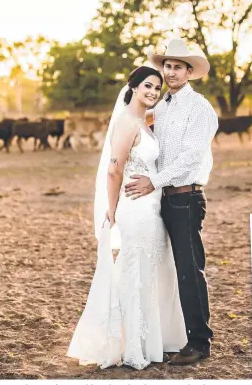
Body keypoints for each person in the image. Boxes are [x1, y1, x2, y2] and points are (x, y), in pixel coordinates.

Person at [67, 66, 187, 370]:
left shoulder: (143, 123)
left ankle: (147, 341)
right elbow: (114, 167)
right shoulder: (125, 122)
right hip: (135, 209)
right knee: (136, 272)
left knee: (147, 272)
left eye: (157, 89)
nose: (152, 92)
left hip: (152, 207)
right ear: (132, 87)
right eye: (147, 85)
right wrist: (112, 208)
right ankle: (131, 346)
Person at [124, 38, 219, 365]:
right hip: (162, 200)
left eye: (178, 66)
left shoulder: (200, 108)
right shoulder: (161, 107)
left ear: (190, 72)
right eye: (168, 66)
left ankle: (200, 343)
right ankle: (170, 334)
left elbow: (192, 157)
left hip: (187, 197)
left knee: (190, 270)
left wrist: (155, 181)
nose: (171, 71)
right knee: (169, 269)